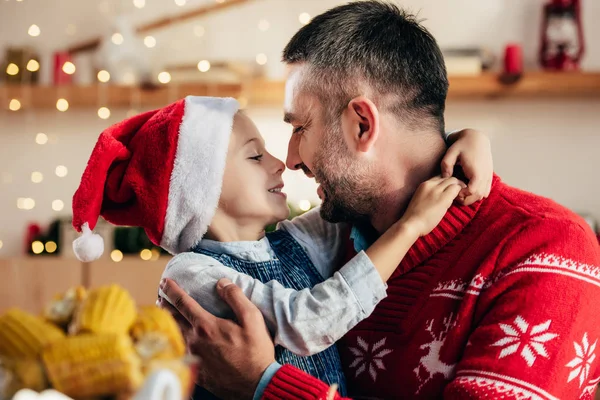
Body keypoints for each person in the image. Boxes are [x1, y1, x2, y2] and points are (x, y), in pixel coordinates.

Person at [159, 1, 600, 399]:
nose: (291, 159)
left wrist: (265, 386)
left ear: (362, 126)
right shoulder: (338, 243)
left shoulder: (546, 248)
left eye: (300, 129)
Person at [69, 96, 490, 396]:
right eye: (255, 157)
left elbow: (369, 198)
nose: (279, 163)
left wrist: (464, 140)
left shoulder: (296, 239)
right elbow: (306, 323)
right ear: (200, 193)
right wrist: (412, 226)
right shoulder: (190, 275)